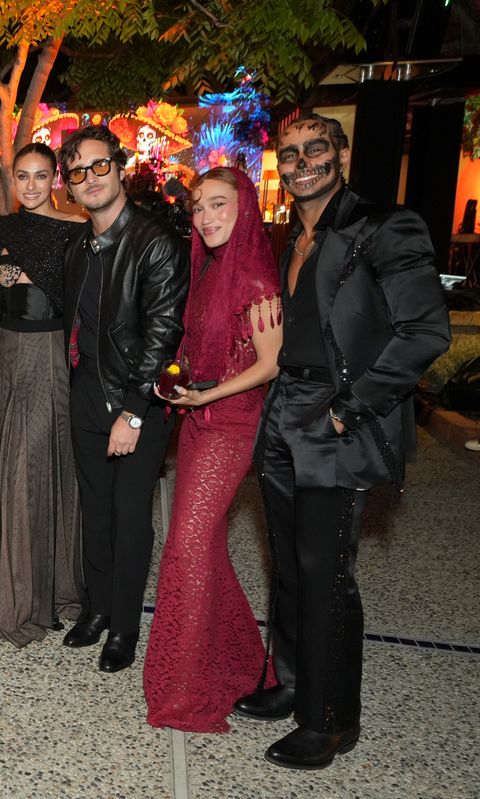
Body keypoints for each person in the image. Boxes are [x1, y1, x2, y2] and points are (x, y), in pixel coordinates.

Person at [233, 114, 450, 769]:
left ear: (342, 152)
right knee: (290, 566)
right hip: (285, 410)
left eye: (315, 149)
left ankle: (329, 720)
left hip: (335, 416)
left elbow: (425, 331)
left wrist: (348, 410)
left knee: (326, 572)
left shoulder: (385, 225)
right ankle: (295, 683)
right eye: (290, 152)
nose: (301, 161)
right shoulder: (293, 235)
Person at [141, 167, 282, 732]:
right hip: (201, 421)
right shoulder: (211, 270)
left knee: (187, 546)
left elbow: (271, 364)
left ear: (244, 207)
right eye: (199, 207)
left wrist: (207, 396)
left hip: (233, 427)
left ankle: (189, 685)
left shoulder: (255, 279)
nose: (206, 217)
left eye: (218, 205)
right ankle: (239, 659)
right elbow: (198, 351)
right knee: (205, 549)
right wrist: (176, 380)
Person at [59, 124, 188, 672]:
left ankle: (125, 627)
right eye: (78, 172)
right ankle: (96, 608)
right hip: (87, 390)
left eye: (99, 165)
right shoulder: (78, 245)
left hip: (138, 400)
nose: (90, 178)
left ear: (120, 166)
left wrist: (134, 412)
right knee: (96, 511)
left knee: (130, 515)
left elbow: (163, 334)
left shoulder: (155, 242)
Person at [0, 143, 85, 646]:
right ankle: (4, 581)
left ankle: (34, 590)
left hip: (48, 354)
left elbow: (73, 300)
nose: (30, 185)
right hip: (5, 354)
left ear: (56, 178)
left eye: (40, 176)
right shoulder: (3, 230)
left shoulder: (76, 230)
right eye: (22, 176)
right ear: (11, 180)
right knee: (7, 458)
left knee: (34, 464)